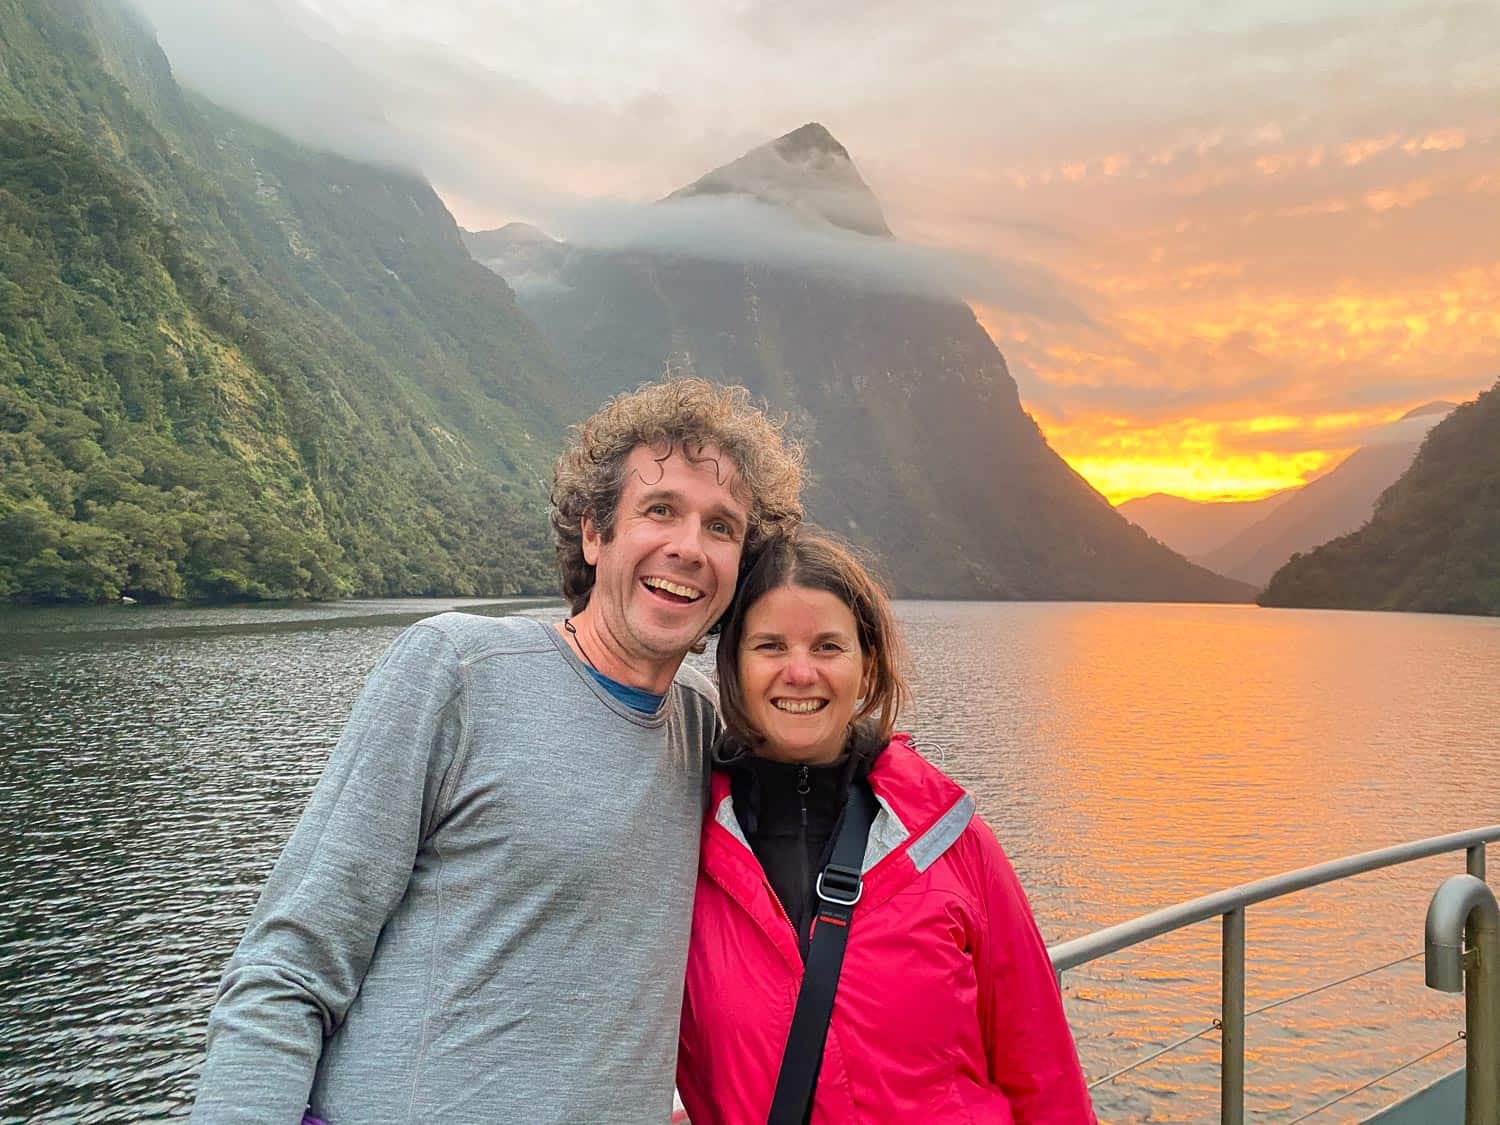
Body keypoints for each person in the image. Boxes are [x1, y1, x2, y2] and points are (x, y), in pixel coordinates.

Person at [190, 378, 803, 1124]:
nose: (687, 547)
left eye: (722, 527)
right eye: (660, 509)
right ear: (593, 531)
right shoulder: (457, 670)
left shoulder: (706, 727)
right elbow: (286, 968)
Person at [677, 527, 1096, 1124]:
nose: (800, 672)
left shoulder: (948, 838)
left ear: (867, 666)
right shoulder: (688, 844)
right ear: (733, 666)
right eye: (770, 645)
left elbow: (1042, 1066)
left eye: (827, 646)